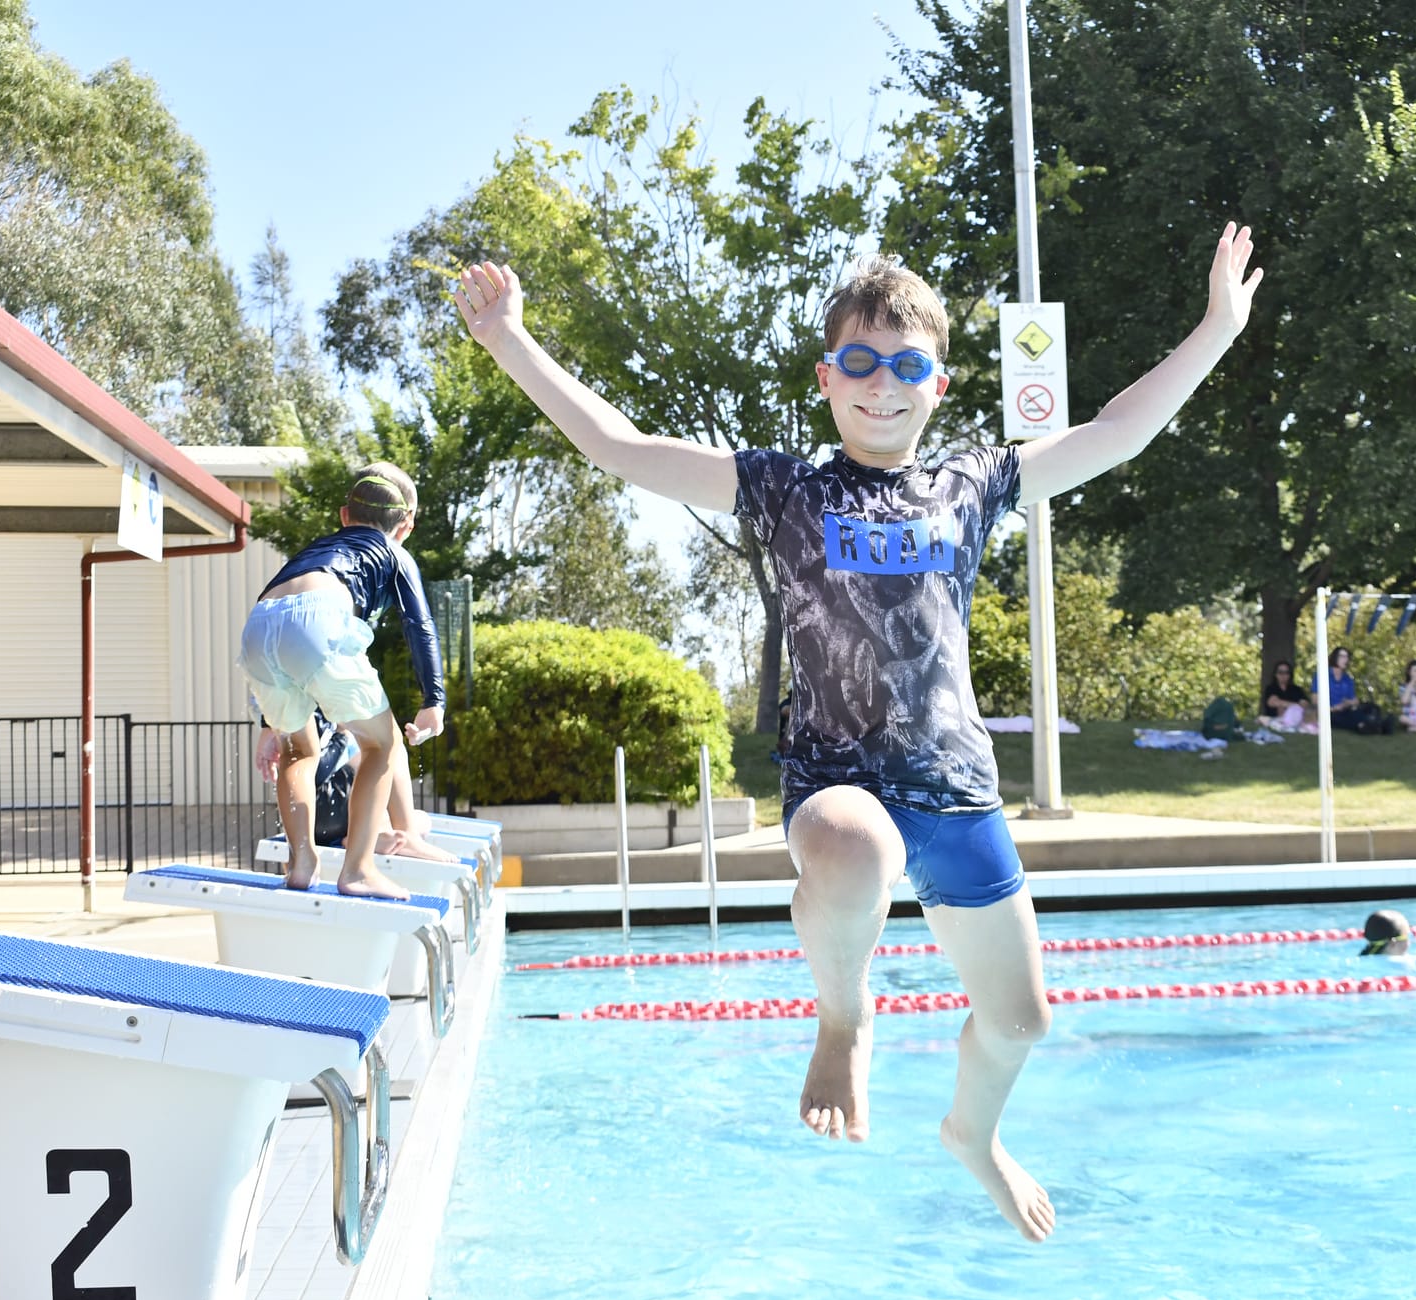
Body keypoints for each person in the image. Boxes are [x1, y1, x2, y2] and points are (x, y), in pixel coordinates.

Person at [453, 222, 1263, 1243]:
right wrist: (510, 341)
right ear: (828, 378)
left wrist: (1217, 328)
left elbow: (1115, 429)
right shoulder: (786, 487)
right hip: (837, 778)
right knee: (854, 846)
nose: (883, 383)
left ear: (938, 380)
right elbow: (615, 446)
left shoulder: (972, 482)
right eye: (860, 362)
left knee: (1020, 1021)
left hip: (957, 789)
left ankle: (974, 1135)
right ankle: (844, 1016)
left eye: (907, 364)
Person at [237, 462, 445, 899]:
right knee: (383, 744)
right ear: (405, 525)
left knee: (297, 750)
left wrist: (265, 726)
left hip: (258, 624)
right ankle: (358, 870)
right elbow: (419, 625)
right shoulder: (394, 553)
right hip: (318, 617)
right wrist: (433, 701)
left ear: (344, 516)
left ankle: (302, 862)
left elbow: (283, 628)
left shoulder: (315, 550)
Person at [254, 712, 460, 863]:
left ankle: (378, 832)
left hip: (302, 822)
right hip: (326, 807)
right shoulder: (336, 725)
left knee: (423, 819)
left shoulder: (283, 705)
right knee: (391, 746)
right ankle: (380, 834)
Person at [1257, 659, 1310, 730]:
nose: (1283, 675)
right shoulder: (1271, 688)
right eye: (1280, 672)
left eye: (1286, 672)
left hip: (1295, 720)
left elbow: (1305, 704)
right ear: (1275, 674)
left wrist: (1287, 707)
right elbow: (1272, 702)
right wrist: (1294, 706)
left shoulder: (1296, 689)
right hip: (1274, 719)